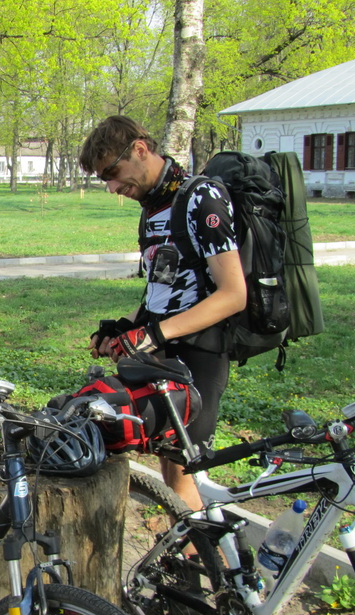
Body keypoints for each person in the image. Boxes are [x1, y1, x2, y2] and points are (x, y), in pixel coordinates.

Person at [78, 116, 246, 511]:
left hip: (200, 351)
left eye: (112, 173)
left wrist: (153, 335)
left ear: (139, 149)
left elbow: (234, 294)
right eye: (104, 180)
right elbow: (165, 287)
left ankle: (203, 547)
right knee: (171, 468)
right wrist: (126, 327)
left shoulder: (201, 198)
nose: (112, 188)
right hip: (165, 353)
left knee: (182, 473)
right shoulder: (154, 206)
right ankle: (190, 543)